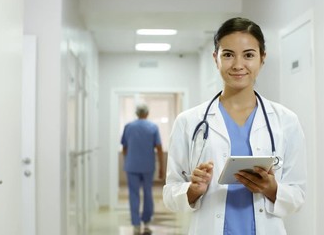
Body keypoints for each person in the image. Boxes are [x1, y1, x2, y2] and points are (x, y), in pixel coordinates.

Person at [162, 17, 307, 235]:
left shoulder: (286, 121)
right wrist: (192, 191)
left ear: (262, 58)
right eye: (228, 55)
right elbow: (170, 194)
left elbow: (297, 196)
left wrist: (272, 189)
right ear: (216, 58)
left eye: (249, 55)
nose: (238, 65)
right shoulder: (189, 121)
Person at [121, 103, 164, 235]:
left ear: (136, 113)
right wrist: (162, 166)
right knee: (147, 193)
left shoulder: (128, 127)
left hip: (131, 165)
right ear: (147, 113)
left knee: (133, 194)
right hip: (147, 166)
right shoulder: (153, 127)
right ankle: (146, 221)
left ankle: (135, 224)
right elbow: (159, 148)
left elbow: (124, 148)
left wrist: (127, 160)